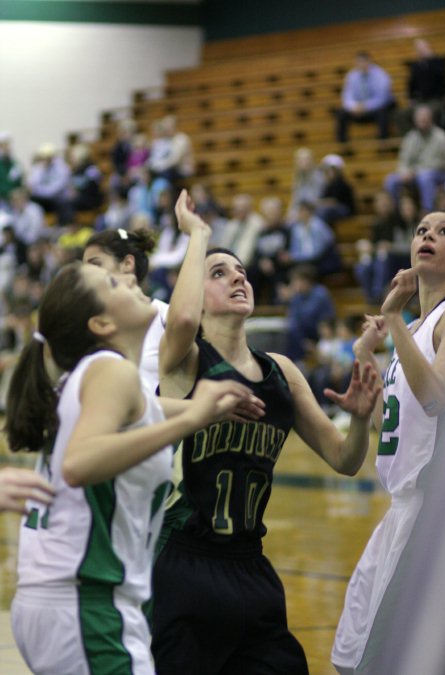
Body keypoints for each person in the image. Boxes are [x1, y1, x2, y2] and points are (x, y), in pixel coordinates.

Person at [149, 189, 381, 675]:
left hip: (251, 565)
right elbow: (185, 316)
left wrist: (359, 420)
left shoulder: (281, 371)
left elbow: (345, 460)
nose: (237, 276)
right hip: (184, 564)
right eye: (219, 273)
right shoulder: (186, 359)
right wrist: (200, 235)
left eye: (242, 271)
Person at [5, 260, 256, 675]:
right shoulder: (112, 371)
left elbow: (153, 410)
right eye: (110, 283)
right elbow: (78, 464)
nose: (127, 280)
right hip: (85, 602)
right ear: (101, 322)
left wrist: (207, 409)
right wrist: (193, 419)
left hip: (59, 598)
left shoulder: (93, 378)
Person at [332, 211, 445, 674]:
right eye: (422, 230)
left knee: (379, 660)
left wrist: (394, 319)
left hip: (431, 514)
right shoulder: (417, 328)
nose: (429, 236)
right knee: (349, 653)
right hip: (400, 509)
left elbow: (436, 399)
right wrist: (365, 356)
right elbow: (398, 431)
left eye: (444, 232)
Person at [82, 227, 167, 394]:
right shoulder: (88, 325)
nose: (86, 275)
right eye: (84, 269)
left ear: (127, 264)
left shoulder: (166, 315)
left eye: (95, 264)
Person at [384, 104, 445, 212]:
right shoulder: (410, 137)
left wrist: (415, 171)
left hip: (439, 174)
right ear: (415, 121)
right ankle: (396, 213)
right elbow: (403, 161)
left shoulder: (441, 137)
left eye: (425, 119)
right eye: (420, 119)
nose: (423, 122)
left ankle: (428, 210)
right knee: (391, 180)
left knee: (425, 177)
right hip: (414, 175)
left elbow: (443, 163)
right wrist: (404, 172)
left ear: (431, 119)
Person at [335, 51, 396, 143]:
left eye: (364, 61)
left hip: (377, 108)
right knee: (341, 113)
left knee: (382, 113)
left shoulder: (380, 74)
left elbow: (382, 98)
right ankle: (343, 146)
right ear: (355, 63)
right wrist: (354, 106)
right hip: (358, 109)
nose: (362, 64)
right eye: (359, 62)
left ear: (369, 61)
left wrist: (365, 106)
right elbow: (347, 96)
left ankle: (383, 144)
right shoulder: (351, 76)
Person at [396, 38, 445, 136]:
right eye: (418, 49)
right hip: (420, 100)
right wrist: (411, 98)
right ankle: (412, 139)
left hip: (436, 100)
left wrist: (430, 59)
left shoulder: (438, 62)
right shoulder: (415, 66)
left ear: (428, 47)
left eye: (423, 47)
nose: (421, 50)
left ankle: (428, 139)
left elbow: (442, 76)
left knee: (425, 113)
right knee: (401, 115)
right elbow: (411, 84)